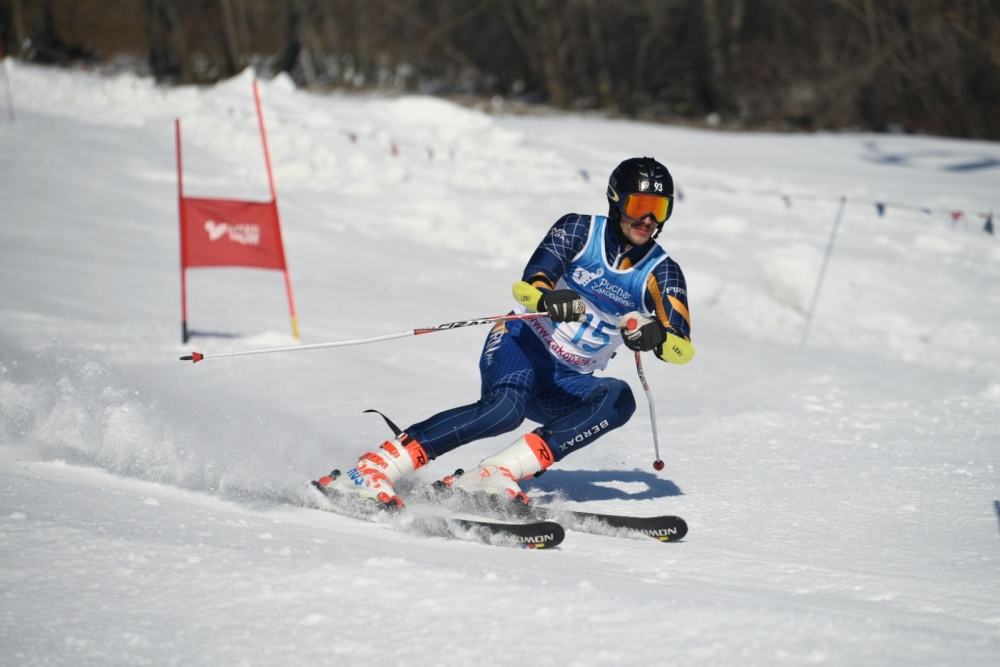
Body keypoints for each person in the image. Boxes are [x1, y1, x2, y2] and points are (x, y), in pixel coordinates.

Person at [314, 157, 695, 509]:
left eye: (659, 209)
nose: (648, 219)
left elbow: (682, 351)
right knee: (504, 411)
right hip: (522, 346)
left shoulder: (663, 272)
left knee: (619, 399)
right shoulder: (579, 229)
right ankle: (373, 468)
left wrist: (656, 337)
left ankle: (494, 473)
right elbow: (528, 287)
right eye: (639, 206)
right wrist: (549, 299)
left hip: (567, 382)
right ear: (616, 202)